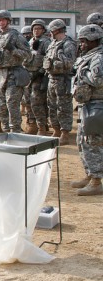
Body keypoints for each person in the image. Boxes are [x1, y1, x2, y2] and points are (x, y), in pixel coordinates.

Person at [70, 24, 103, 196]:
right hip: (87, 105)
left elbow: (97, 80)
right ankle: (90, 174)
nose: (81, 44)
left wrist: (84, 76)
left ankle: (97, 181)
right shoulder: (88, 56)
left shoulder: (98, 57)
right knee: (82, 141)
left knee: (92, 142)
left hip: (96, 105)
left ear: (93, 40)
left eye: (83, 41)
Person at [0, 10, 31, 133]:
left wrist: (13, 50)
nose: (1, 22)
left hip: (13, 74)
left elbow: (28, 55)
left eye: (3, 20)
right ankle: (6, 129)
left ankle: (15, 130)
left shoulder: (16, 36)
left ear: (8, 21)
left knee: (12, 104)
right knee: (1, 105)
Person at [43, 19, 77, 145]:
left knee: (63, 107)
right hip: (52, 78)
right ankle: (56, 130)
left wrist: (58, 58)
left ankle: (65, 133)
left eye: (52, 30)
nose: (50, 33)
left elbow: (69, 63)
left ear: (57, 30)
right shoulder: (53, 43)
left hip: (63, 79)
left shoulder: (68, 44)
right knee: (52, 106)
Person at [23, 19, 51, 135]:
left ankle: (42, 127)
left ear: (43, 30)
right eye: (34, 29)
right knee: (27, 101)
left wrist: (40, 72)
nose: (36, 31)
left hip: (40, 76)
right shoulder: (30, 42)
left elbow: (48, 60)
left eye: (39, 29)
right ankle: (32, 124)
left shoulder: (46, 42)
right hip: (28, 75)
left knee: (37, 103)